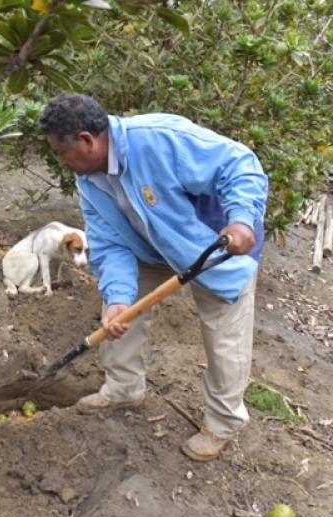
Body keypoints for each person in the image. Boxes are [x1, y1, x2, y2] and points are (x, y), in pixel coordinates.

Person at [39, 94, 268, 462]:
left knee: (225, 338)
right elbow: (110, 245)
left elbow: (240, 165)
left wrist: (241, 217)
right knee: (120, 318)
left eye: (61, 152)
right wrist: (118, 299)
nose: (61, 162)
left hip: (215, 246)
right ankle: (124, 388)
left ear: (87, 140)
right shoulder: (89, 183)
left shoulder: (159, 139)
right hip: (148, 247)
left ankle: (223, 424)